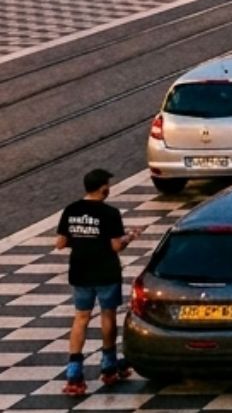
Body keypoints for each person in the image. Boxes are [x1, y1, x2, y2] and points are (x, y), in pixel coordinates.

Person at [56, 168, 138, 393]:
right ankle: (109, 366)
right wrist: (129, 237)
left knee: (81, 317)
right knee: (107, 314)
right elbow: (116, 246)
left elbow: (61, 243)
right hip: (105, 271)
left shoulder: (71, 209)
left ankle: (74, 372)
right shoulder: (109, 213)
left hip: (80, 271)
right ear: (103, 188)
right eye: (108, 185)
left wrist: (82, 240)